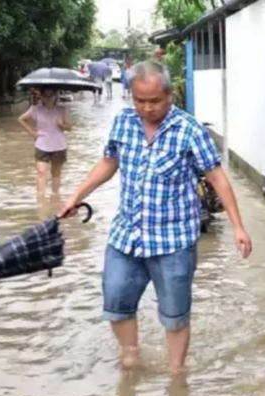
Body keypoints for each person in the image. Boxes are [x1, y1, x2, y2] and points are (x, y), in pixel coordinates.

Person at [59, 61, 252, 375]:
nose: (146, 108)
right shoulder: (123, 122)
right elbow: (109, 163)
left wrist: (238, 227)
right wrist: (75, 198)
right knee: (116, 301)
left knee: (175, 314)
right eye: (139, 101)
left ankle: (177, 373)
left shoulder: (189, 130)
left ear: (170, 95)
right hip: (126, 236)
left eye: (154, 101)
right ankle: (130, 356)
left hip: (173, 241)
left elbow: (217, 178)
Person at [18, 88, 72, 198]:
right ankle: (40, 198)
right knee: (41, 172)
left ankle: (55, 196)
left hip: (59, 145)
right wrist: (32, 133)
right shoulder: (35, 109)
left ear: (55, 96)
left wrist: (61, 125)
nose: (48, 98)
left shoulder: (62, 109)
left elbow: (69, 127)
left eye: (51, 94)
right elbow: (21, 119)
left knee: (56, 173)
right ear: (41, 96)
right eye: (45, 95)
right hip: (42, 144)